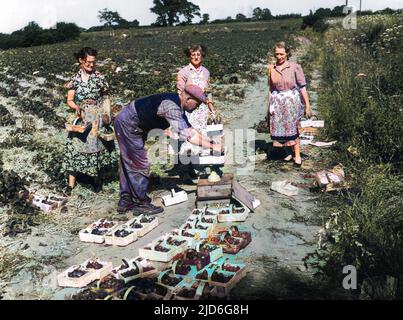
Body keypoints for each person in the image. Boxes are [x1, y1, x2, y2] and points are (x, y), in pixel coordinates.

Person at [114, 84, 224, 215]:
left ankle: (126, 200)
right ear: (189, 99)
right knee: (139, 163)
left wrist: (208, 141)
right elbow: (189, 136)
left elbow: (190, 130)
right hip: (128, 124)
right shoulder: (171, 107)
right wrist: (213, 147)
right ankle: (140, 203)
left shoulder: (178, 104)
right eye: (197, 103)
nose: (198, 107)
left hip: (132, 123)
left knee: (128, 161)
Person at [62, 47, 118, 194]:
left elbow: (106, 97)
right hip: (82, 118)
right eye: (88, 62)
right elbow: (70, 100)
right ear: (81, 60)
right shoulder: (75, 80)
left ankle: (96, 181)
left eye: (93, 62)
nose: (91, 65)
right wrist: (76, 108)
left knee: (97, 148)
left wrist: (108, 115)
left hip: (97, 117)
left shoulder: (100, 77)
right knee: (74, 148)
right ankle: (71, 184)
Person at [267, 41, 312, 167]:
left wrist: (307, 105)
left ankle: (297, 155)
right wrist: (269, 107)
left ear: (287, 54)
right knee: (280, 128)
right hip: (277, 101)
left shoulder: (295, 67)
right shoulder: (271, 68)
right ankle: (288, 152)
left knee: (292, 127)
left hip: (291, 101)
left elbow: (302, 87)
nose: (279, 57)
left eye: (281, 54)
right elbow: (271, 89)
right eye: (277, 54)